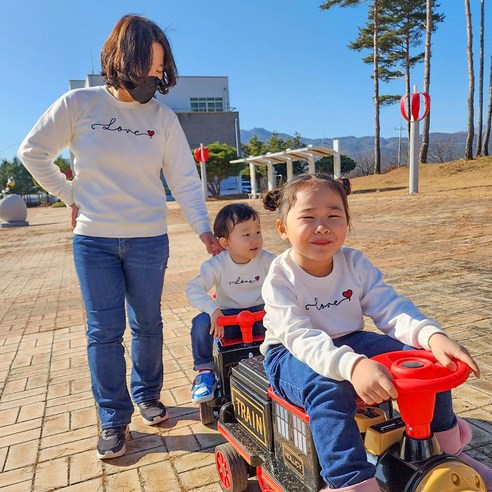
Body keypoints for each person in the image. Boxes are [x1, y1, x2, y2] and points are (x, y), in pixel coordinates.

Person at [18, 15, 221, 460]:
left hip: (149, 240)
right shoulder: (79, 104)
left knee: (148, 324)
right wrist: (71, 194)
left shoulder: (162, 118)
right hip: (94, 241)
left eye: (159, 70)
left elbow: (185, 179)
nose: (154, 78)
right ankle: (114, 420)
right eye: (146, 67)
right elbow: (32, 152)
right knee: (104, 332)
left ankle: (148, 396)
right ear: (120, 60)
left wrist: (203, 229)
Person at [260, 173, 492, 492]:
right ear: (283, 229)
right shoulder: (279, 278)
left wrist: (433, 337)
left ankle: (446, 451)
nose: (322, 225)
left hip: (349, 341)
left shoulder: (354, 263)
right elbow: (300, 337)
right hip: (288, 354)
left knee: (424, 362)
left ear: (347, 222)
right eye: (308, 217)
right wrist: (353, 366)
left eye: (333, 215)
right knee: (329, 387)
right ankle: (351, 482)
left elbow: (390, 308)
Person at [186, 203, 275, 403]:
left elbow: (288, 275)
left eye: (258, 232)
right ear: (226, 243)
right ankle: (205, 371)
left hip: (261, 316)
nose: (255, 239)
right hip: (228, 319)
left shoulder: (266, 260)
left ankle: (284, 360)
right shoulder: (217, 264)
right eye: (246, 235)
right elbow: (193, 288)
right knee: (200, 322)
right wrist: (213, 309)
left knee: (287, 318)